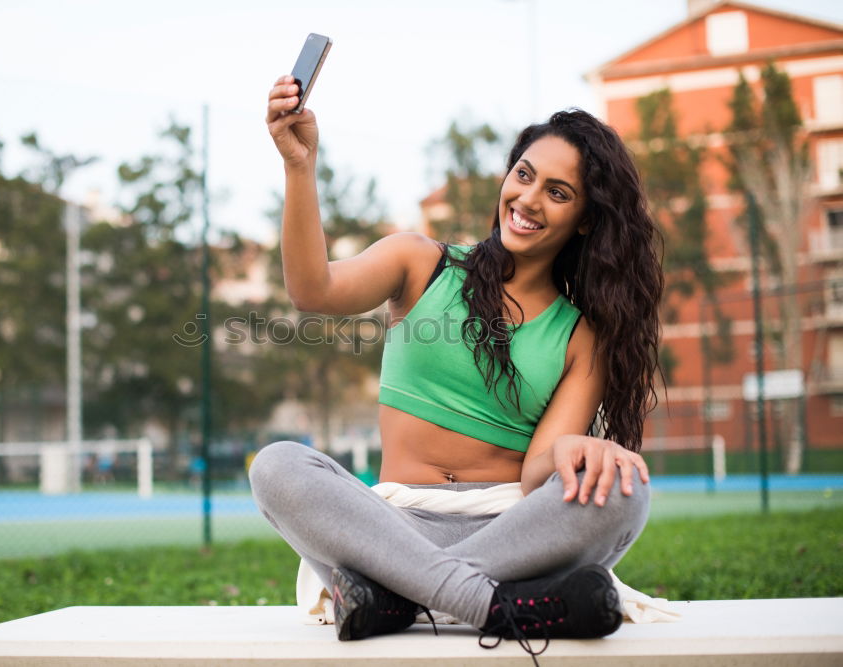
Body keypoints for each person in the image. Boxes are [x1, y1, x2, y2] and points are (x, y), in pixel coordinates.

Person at [250, 74, 663, 661]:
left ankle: (395, 601)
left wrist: (585, 451)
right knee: (278, 465)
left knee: (626, 491)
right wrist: (298, 166)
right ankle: (496, 607)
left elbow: (537, 475)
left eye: (558, 192)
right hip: (389, 530)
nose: (528, 199)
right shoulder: (421, 263)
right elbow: (312, 290)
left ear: (588, 220)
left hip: (509, 534)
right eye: (523, 174)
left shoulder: (582, 334)